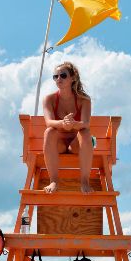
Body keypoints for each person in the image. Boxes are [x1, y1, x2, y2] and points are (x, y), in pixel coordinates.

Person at [42, 61, 94, 194]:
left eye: (63, 75)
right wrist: (63, 123)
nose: (59, 79)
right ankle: (53, 181)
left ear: (73, 78)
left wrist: (73, 124)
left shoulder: (84, 100)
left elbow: (85, 123)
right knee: (49, 131)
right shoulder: (49, 99)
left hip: (75, 145)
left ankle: (84, 181)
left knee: (85, 132)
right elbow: (49, 122)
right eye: (55, 76)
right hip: (58, 144)